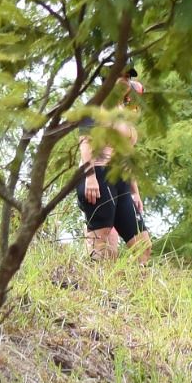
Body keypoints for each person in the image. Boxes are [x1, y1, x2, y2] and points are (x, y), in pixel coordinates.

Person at [77, 71, 150, 264]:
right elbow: (85, 144)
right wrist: (90, 177)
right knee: (102, 245)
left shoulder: (123, 113)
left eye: (128, 77)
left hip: (122, 180)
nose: (126, 81)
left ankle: (136, 288)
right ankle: (95, 288)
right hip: (99, 174)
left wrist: (135, 192)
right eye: (122, 76)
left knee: (143, 245)